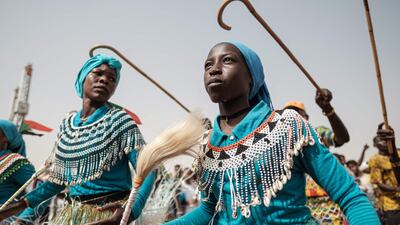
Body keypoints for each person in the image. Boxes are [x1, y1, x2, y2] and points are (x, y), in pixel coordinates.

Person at [165, 41, 379, 224]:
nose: (214, 69)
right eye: (207, 65)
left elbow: (350, 196)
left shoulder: (288, 127)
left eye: (227, 60)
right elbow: (208, 210)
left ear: (252, 75)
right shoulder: (208, 146)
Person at [0, 54, 156, 224]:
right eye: (97, 74)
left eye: (112, 78)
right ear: (82, 78)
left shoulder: (120, 120)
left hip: (108, 217)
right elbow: (58, 182)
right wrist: (17, 206)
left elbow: (149, 169)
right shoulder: (67, 125)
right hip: (72, 214)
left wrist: (129, 212)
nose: (104, 80)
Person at [369, 124, 400, 225]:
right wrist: (396, 189)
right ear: (375, 145)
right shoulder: (375, 160)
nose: (384, 142)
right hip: (391, 204)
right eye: (380, 140)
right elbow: (378, 183)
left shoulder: (398, 153)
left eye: (385, 140)